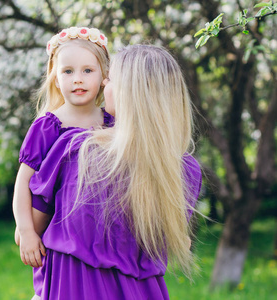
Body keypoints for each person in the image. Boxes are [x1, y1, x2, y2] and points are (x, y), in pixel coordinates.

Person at [29, 45, 203, 299]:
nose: (103, 85)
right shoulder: (185, 171)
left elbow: (34, 225)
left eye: (110, 79)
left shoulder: (77, 150)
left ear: (127, 93)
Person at [12, 27, 112, 268]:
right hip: (57, 231)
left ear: (103, 77)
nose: (77, 78)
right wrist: (26, 231)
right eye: (68, 71)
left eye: (88, 70)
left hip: (99, 233)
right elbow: (23, 182)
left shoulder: (111, 122)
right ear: (56, 78)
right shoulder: (48, 125)